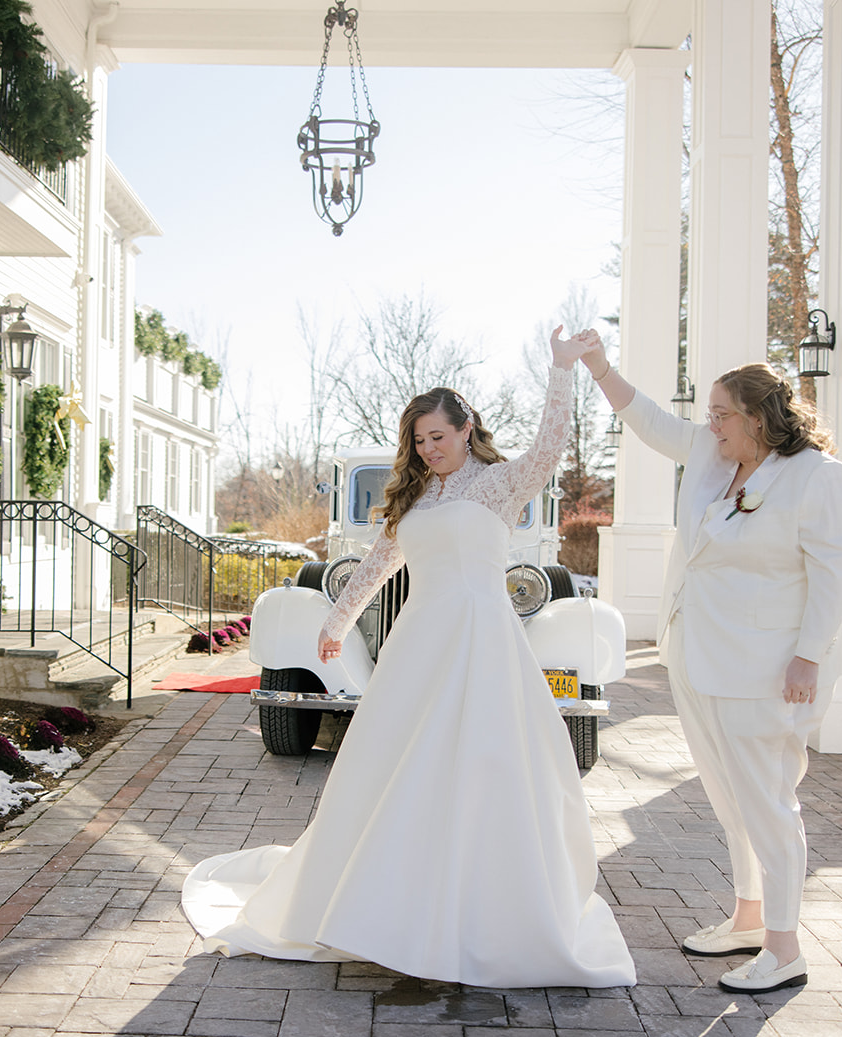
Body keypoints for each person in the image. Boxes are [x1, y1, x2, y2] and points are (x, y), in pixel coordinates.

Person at [180, 328, 636, 988]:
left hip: (483, 639)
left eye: (438, 437)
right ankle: (383, 905)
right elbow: (376, 562)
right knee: (399, 765)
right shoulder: (417, 496)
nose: (429, 449)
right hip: (421, 640)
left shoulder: (501, 484)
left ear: (465, 428)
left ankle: (475, 910)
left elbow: (549, 447)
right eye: (419, 440)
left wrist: (561, 370)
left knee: (480, 766)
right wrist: (336, 619)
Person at [579, 335, 842, 994]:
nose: (710, 423)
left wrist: (808, 658)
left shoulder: (818, 476)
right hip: (700, 658)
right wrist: (597, 366)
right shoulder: (713, 456)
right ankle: (749, 916)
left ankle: (785, 948)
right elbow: (648, 419)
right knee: (731, 800)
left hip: (769, 667)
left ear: (757, 417)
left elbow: (835, 573)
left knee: (768, 802)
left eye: (721, 412)